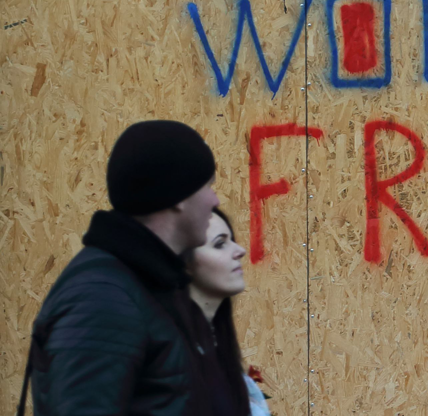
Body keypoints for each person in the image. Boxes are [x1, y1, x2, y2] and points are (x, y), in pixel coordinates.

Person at [19, 120, 220, 416]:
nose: (215, 201)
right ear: (178, 196)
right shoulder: (103, 301)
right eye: (208, 186)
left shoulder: (147, 283)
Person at [184, 208, 270, 416]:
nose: (240, 250)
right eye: (220, 243)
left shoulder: (214, 344)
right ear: (183, 264)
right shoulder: (172, 356)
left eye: (231, 240)